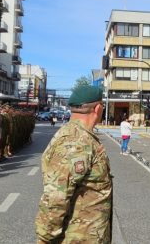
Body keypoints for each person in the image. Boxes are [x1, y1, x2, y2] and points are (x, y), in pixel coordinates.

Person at [35, 85, 112, 243]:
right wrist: (45, 239)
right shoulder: (76, 141)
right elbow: (55, 198)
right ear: (98, 108)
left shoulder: (78, 136)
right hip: (78, 238)